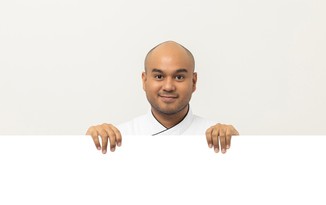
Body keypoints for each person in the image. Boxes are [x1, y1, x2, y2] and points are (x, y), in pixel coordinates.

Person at [86, 41, 239, 154]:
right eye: (159, 76)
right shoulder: (116, 139)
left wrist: (238, 146)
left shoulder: (219, 140)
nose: (168, 86)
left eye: (179, 77)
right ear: (144, 81)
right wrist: (88, 145)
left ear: (193, 82)